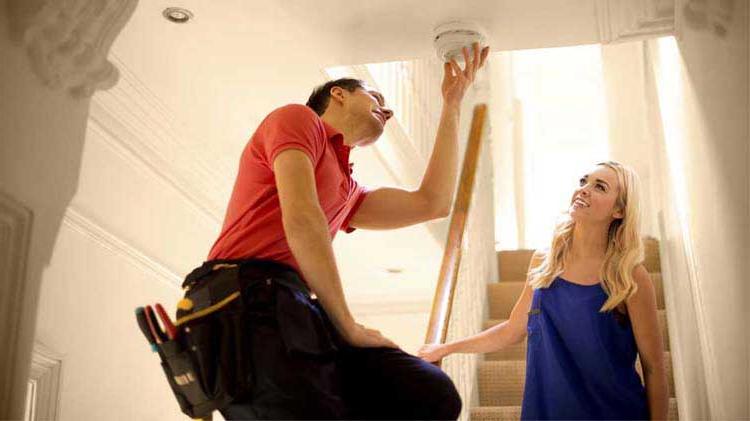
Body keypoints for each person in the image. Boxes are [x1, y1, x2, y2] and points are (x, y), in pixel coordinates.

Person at [185, 43, 489, 420]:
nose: (388, 110)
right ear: (338, 94)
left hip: (293, 302)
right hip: (246, 293)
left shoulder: (348, 190)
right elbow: (302, 218)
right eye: (375, 96)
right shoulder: (298, 119)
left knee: (428, 392)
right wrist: (347, 324)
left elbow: (432, 203)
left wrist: (452, 104)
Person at [418, 162, 669, 420]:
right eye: (584, 181)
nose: (584, 190)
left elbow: (653, 367)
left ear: (619, 210)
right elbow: (512, 330)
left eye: (599, 187)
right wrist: (446, 348)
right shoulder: (545, 262)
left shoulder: (629, 276)